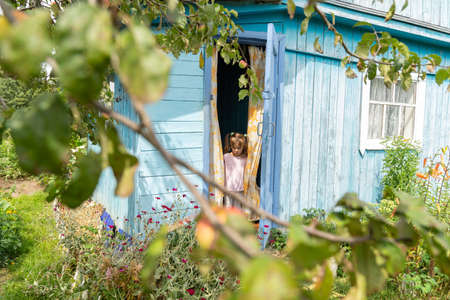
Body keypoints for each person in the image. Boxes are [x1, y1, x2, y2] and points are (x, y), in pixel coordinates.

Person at [223, 132, 248, 210]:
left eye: (238, 148)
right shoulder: (226, 157)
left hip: (239, 189)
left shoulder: (245, 159)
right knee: (228, 208)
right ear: (231, 146)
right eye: (234, 148)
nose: (236, 150)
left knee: (238, 210)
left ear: (243, 147)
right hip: (228, 189)